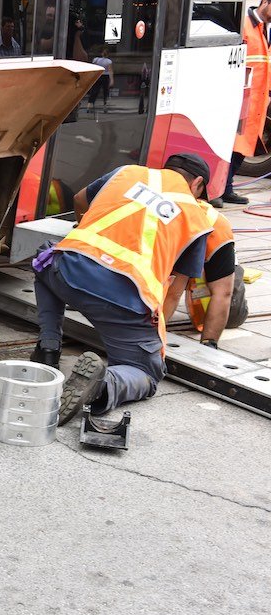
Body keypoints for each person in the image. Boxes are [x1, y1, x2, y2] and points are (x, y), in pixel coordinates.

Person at [30, 154, 216, 425]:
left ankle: (48, 349)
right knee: (146, 374)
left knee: (43, 258)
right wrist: (153, 345)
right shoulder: (196, 218)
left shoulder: (127, 172)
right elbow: (174, 292)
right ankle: (103, 385)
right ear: (197, 183)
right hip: (124, 302)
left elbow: (80, 200)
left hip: (68, 272)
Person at [162, 201, 247, 347]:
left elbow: (223, 293)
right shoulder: (170, 220)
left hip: (212, 253)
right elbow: (172, 293)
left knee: (233, 316)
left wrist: (209, 344)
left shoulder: (217, 229)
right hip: (178, 247)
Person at [217, 0, 271, 207]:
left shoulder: (265, 29)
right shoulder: (244, 26)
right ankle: (217, 189)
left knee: (242, 148)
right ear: (265, 1)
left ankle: (226, 187)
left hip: (257, 101)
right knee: (228, 147)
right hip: (239, 99)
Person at [88, 47, 113, 111]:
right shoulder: (109, 61)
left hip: (98, 75)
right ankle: (105, 105)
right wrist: (112, 80)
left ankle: (90, 105)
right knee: (105, 91)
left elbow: (93, 68)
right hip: (105, 76)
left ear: (101, 53)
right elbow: (110, 71)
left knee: (94, 90)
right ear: (108, 54)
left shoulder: (96, 59)